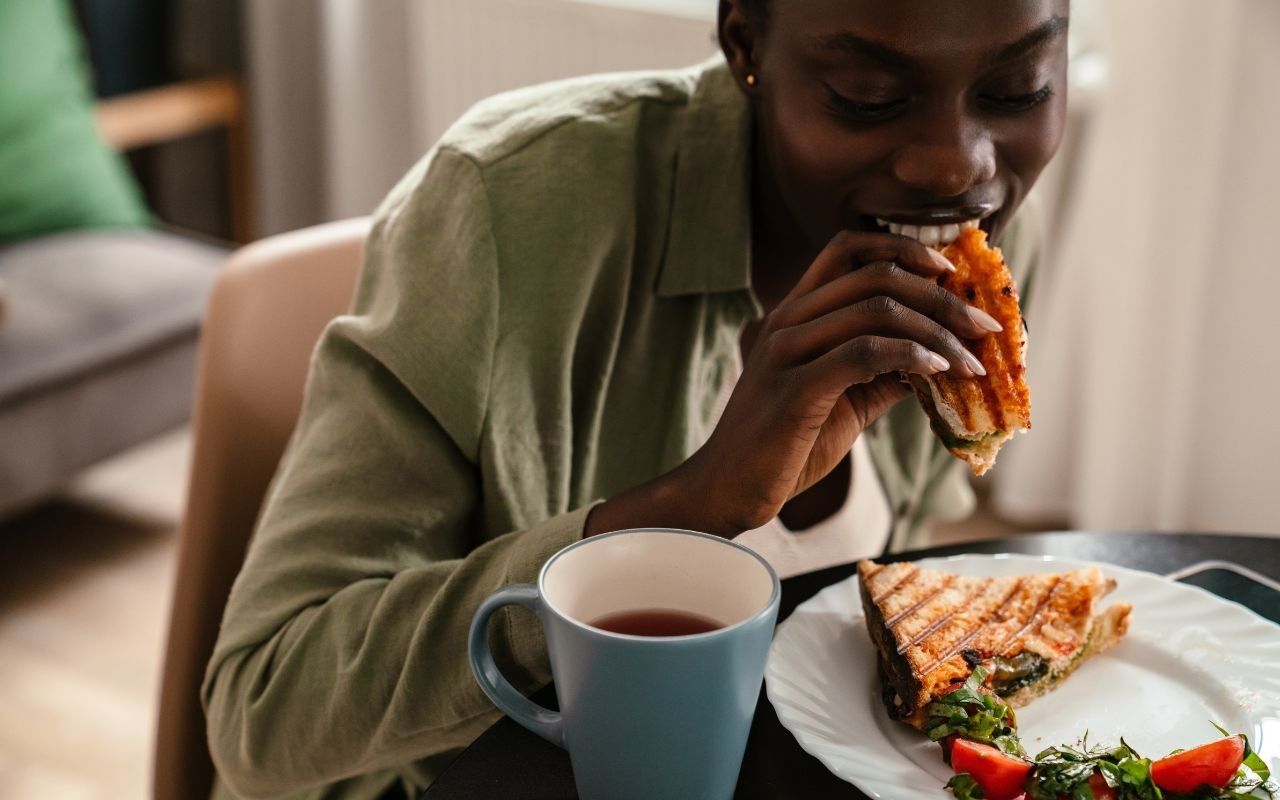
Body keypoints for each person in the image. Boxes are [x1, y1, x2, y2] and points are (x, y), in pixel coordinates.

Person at [204, 1, 1068, 797]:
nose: (958, 161)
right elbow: (263, 710)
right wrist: (688, 510)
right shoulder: (499, 212)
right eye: (867, 95)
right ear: (745, 44)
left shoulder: (976, 214)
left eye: (1015, 89)